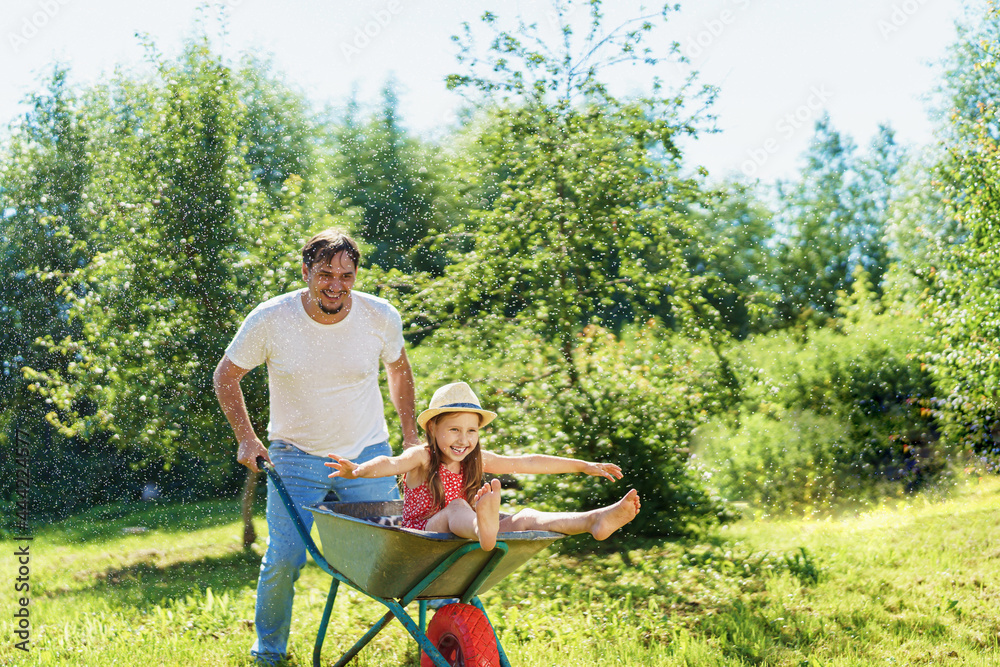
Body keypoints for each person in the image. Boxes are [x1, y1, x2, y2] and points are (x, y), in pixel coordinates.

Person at [213, 229, 420, 666]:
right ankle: (269, 655)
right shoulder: (272, 318)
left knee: (403, 550)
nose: (335, 285)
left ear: (356, 274)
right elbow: (225, 375)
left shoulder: (379, 315)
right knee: (284, 559)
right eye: (325, 273)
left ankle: (432, 635)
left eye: (346, 275)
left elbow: (399, 370)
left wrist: (411, 437)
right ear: (306, 271)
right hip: (294, 457)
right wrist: (247, 440)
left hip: (367, 456)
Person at [326, 381, 641, 551]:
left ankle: (594, 520)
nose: (463, 440)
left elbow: (528, 462)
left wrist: (582, 465)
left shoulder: (476, 461)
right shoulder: (422, 458)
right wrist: (359, 470)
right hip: (423, 537)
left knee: (527, 517)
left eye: (471, 431)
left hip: (469, 531)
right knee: (458, 506)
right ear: (432, 429)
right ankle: (483, 528)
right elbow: (391, 462)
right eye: (453, 429)